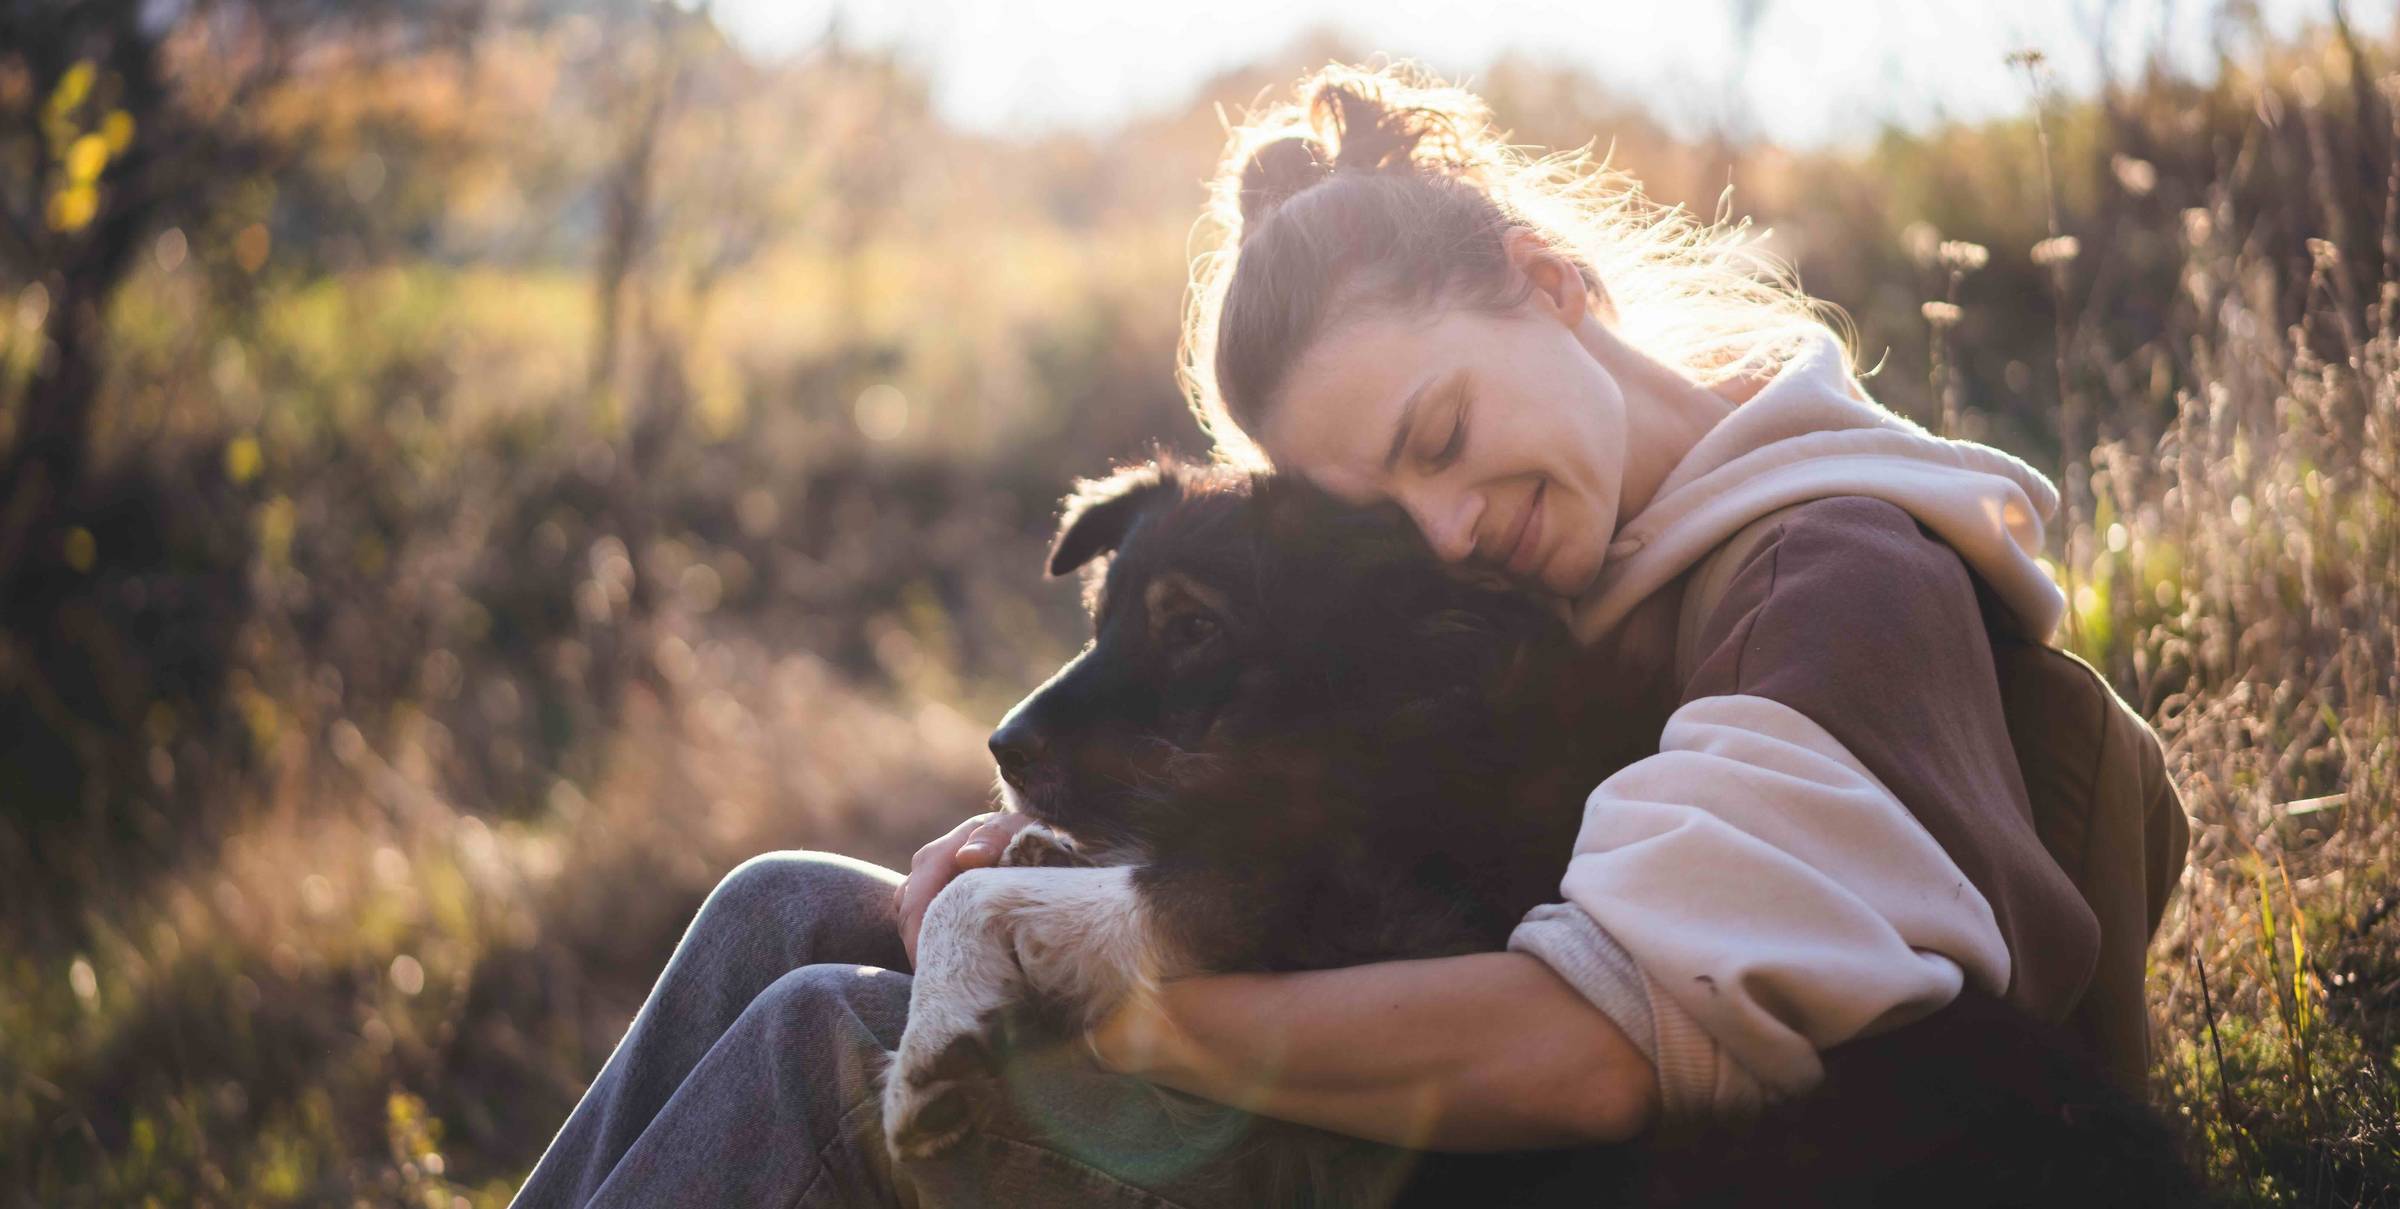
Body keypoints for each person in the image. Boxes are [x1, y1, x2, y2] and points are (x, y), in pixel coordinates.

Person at [512, 62, 2116, 1208]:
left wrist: (1100, 990)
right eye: (1375, 508)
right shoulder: (1569, 578)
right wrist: (1051, 877)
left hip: (1612, 1157)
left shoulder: (1821, 578)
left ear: (1550, 283)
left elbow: (1593, 1049)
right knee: (785, 912)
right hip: (1447, 1103)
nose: (1439, 526)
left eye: (1438, 430)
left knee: (818, 1049)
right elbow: (1346, 861)